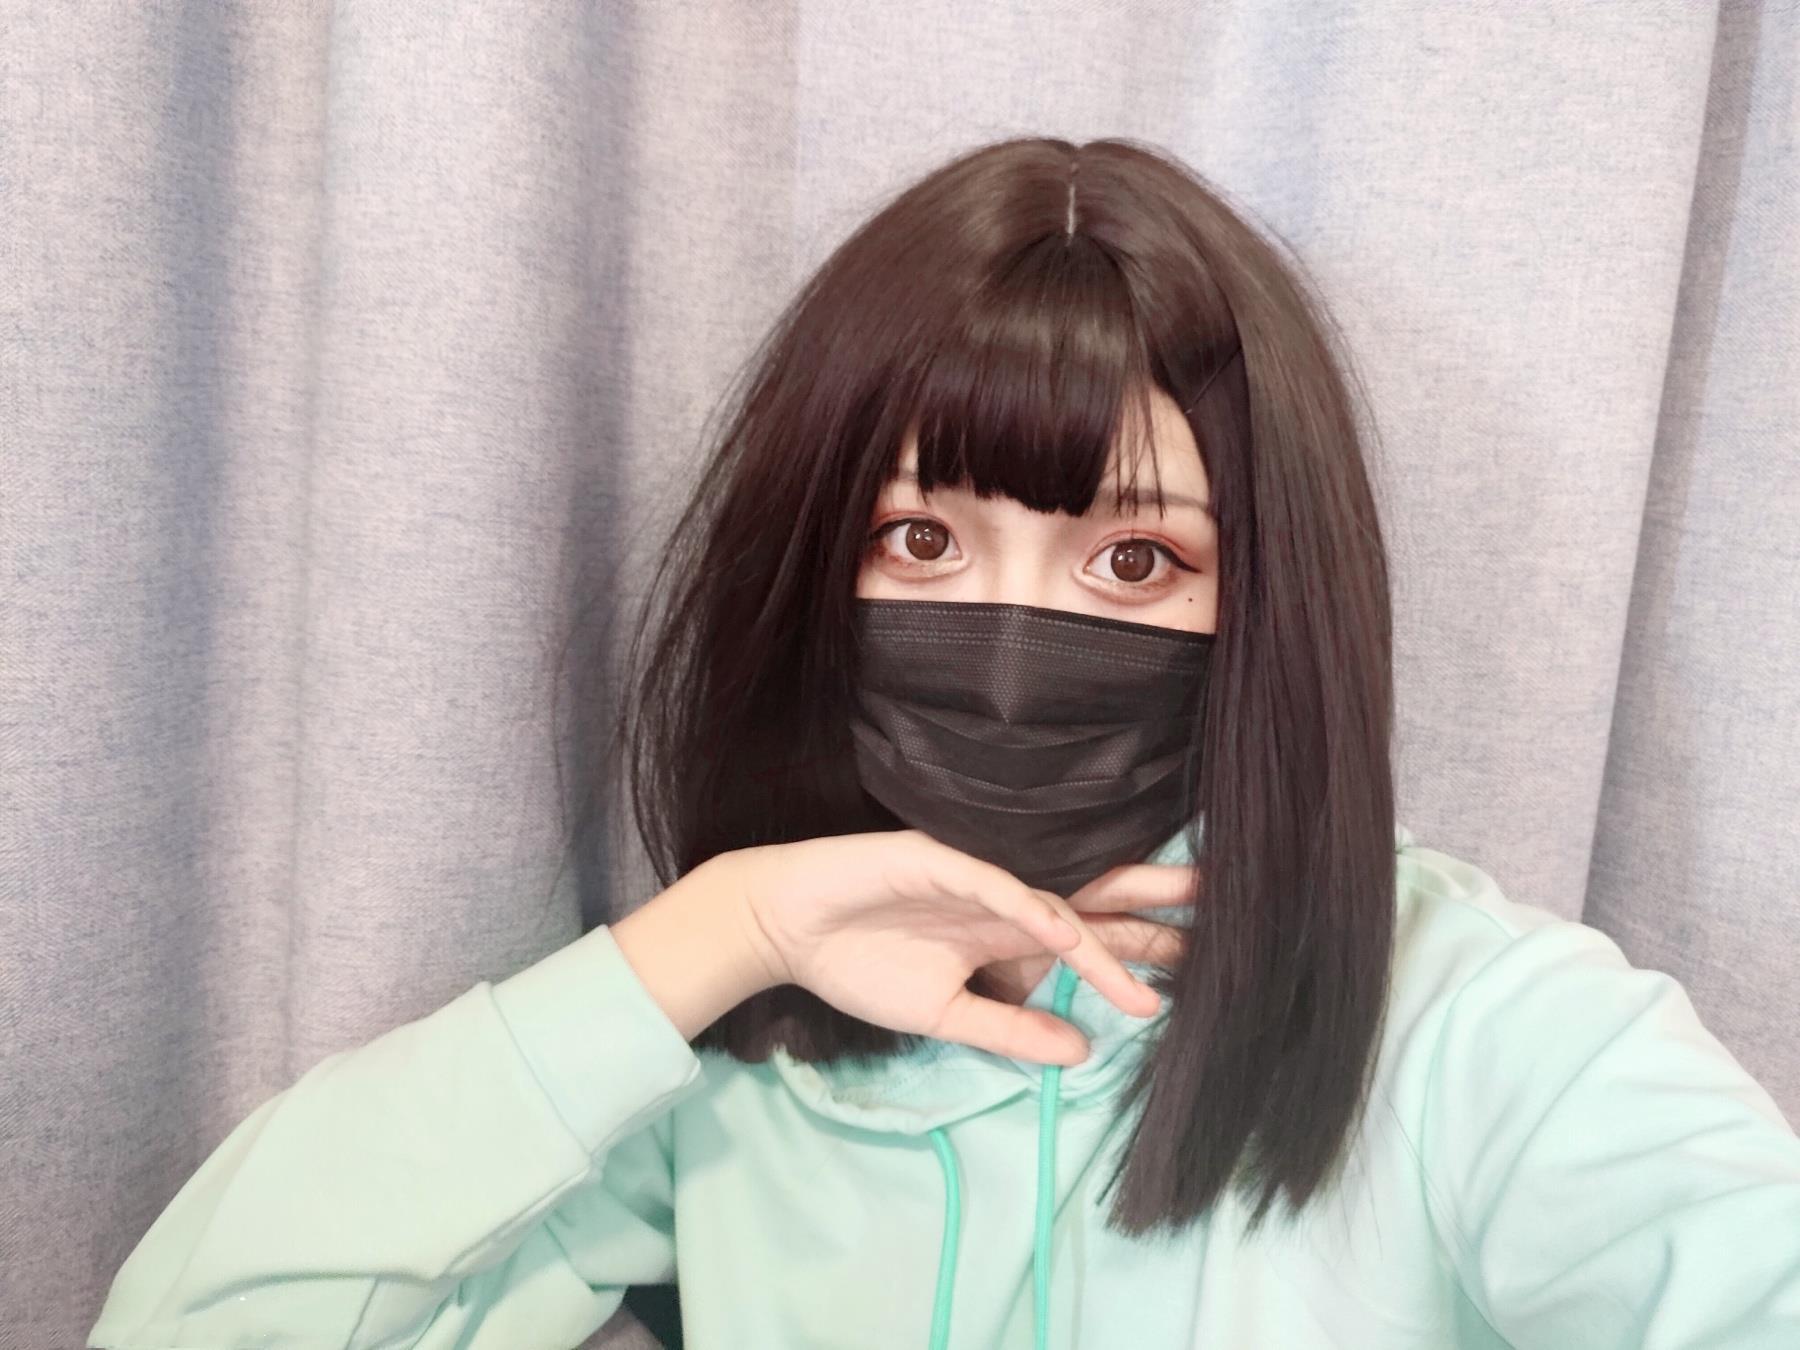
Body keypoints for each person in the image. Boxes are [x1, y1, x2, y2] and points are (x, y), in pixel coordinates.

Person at [89, 136, 1800, 1350]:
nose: (1008, 657)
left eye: (1136, 562)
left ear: (1265, 607)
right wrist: (716, 936)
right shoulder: (729, 1066)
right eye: (922, 541)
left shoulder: (1477, 1026)